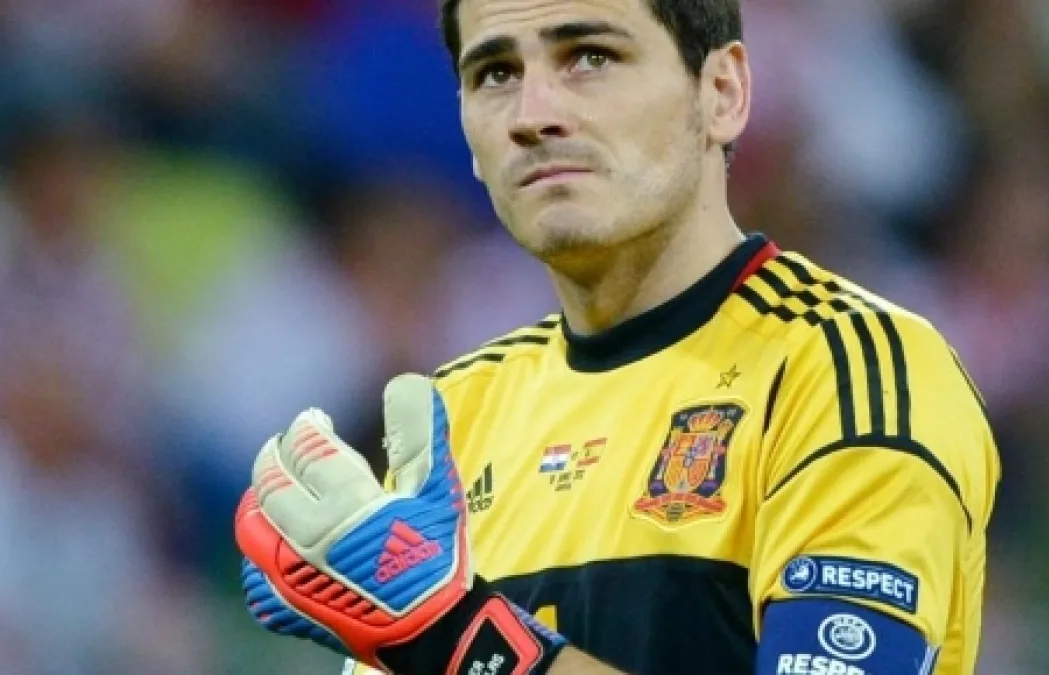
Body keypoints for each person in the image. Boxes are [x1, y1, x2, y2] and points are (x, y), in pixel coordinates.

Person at [233, 0, 1001, 674]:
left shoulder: (845, 370)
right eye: (496, 73)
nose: (532, 113)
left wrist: (454, 637)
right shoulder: (454, 417)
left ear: (723, 93)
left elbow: (455, 640)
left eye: (590, 57)